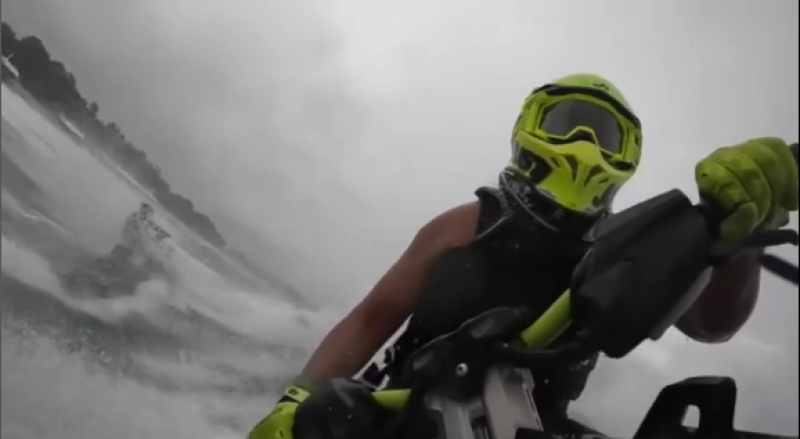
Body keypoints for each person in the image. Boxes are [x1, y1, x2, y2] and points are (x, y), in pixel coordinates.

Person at [248, 73, 799, 439]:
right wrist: (294, 401)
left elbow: (711, 324)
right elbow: (372, 317)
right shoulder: (465, 223)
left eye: (604, 135)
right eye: (568, 124)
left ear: (626, 157)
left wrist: (742, 232)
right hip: (401, 418)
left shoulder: (629, 248)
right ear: (529, 129)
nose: (584, 143)